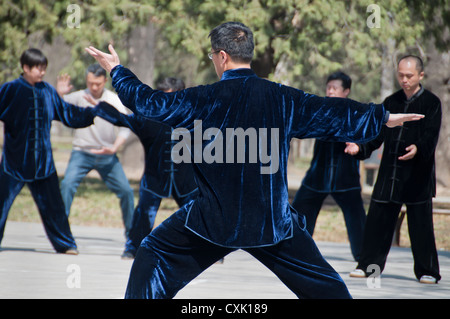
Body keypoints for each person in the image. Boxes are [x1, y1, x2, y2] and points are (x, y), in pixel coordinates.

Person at [86, 22, 424, 299]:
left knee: (151, 255)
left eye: (211, 55)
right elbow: (329, 112)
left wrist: (117, 70)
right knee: (327, 288)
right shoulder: (281, 97)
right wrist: (380, 117)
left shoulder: (202, 98)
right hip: (271, 223)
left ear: (221, 57)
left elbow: (149, 103)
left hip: (211, 220)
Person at [346, 55, 442, 284]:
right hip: (390, 173)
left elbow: (431, 134)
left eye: (409, 75)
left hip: (417, 175)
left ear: (420, 75)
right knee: (377, 222)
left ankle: (427, 270)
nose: (404, 80)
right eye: (400, 75)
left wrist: (418, 149)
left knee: (421, 226)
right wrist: (359, 147)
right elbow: (377, 135)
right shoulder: (390, 102)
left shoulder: (432, 103)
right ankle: (369, 266)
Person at [0, 48, 97, 254]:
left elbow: (67, 113)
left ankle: (66, 244)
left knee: (54, 207)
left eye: (44, 68)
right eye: (37, 68)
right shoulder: (10, 90)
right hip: (14, 163)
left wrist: (92, 112)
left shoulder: (48, 91)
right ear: (25, 68)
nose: (42, 72)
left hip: (43, 164)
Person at [96, 77, 198, 259]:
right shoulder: (149, 118)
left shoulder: (193, 117)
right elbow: (122, 119)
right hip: (155, 177)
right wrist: (99, 107)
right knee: (144, 212)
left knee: (197, 214)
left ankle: (206, 250)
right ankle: (133, 247)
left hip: (186, 179)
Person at [291, 71, 366, 261]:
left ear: (346, 91)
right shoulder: (319, 109)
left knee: (356, 217)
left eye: (335, 88)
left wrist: (358, 145)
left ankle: (364, 258)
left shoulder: (355, 113)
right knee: (299, 212)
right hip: (317, 176)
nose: (330, 91)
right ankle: (296, 252)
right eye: (328, 87)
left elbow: (368, 137)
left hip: (345, 178)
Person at [58, 64, 135, 238]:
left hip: (107, 154)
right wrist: (60, 94)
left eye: (98, 84)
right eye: (90, 83)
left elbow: (126, 126)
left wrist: (115, 147)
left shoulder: (113, 100)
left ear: (105, 81)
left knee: (127, 191)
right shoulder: (78, 97)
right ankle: (61, 233)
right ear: (87, 80)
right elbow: (57, 106)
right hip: (81, 153)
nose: (94, 87)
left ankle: (132, 237)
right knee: (67, 185)